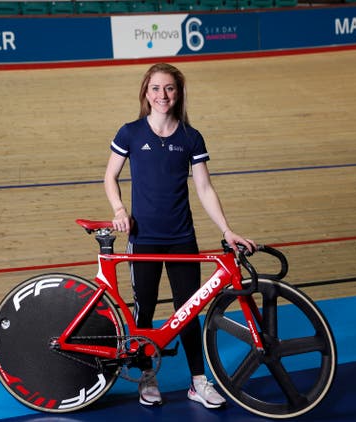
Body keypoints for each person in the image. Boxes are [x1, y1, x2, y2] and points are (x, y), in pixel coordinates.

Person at [104, 63, 256, 409]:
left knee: (188, 311)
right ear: (146, 92)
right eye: (156, 88)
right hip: (143, 239)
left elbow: (204, 187)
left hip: (181, 239)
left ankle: (198, 381)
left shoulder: (191, 137)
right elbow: (109, 176)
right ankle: (147, 375)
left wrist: (226, 229)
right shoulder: (130, 133)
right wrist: (118, 210)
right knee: (143, 311)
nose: (162, 95)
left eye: (169, 88)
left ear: (178, 93)